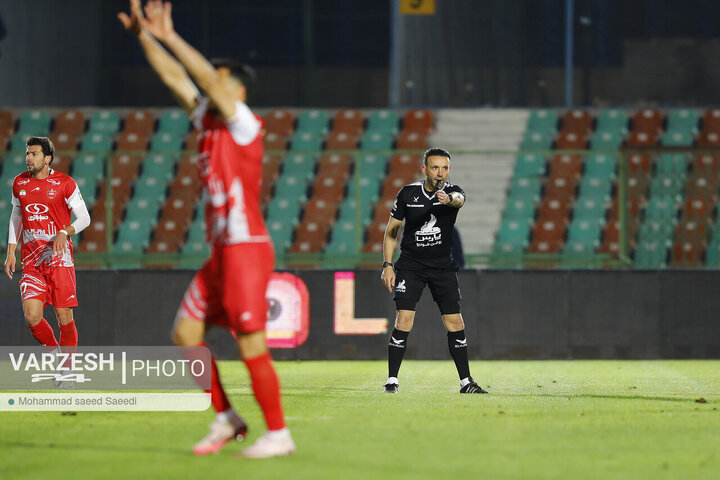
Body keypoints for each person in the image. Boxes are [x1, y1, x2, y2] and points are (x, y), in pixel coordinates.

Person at [119, 0, 294, 458]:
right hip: (221, 254)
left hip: (246, 248)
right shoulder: (207, 120)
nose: (207, 82)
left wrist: (171, 35)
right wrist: (144, 36)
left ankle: (279, 434)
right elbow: (175, 78)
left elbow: (203, 79)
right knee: (185, 335)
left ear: (234, 87)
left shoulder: (243, 123)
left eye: (218, 78)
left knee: (251, 341)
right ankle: (226, 417)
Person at [380, 148, 487, 394]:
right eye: (435, 167)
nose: (440, 173)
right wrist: (387, 265)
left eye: (445, 168)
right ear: (425, 169)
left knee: (454, 321)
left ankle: (466, 382)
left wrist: (448, 200)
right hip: (411, 265)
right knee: (404, 319)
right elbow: (392, 230)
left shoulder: (453, 192)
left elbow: (459, 199)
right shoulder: (408, 193)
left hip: (442, 266)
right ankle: (392, 381)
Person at [4, 136, 91, 387]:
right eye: (27, 153)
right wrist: (11, 250)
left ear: (47, 158)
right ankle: (55, 356)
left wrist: (65, 231)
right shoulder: (19, 182)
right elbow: (16, 216)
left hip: (59, 260)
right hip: (31, 261)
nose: (28, 158)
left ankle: (68, 372)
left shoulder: (65, 183)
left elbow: (84, 217)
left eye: (34, 154)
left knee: (65, 318)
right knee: (32, 316)